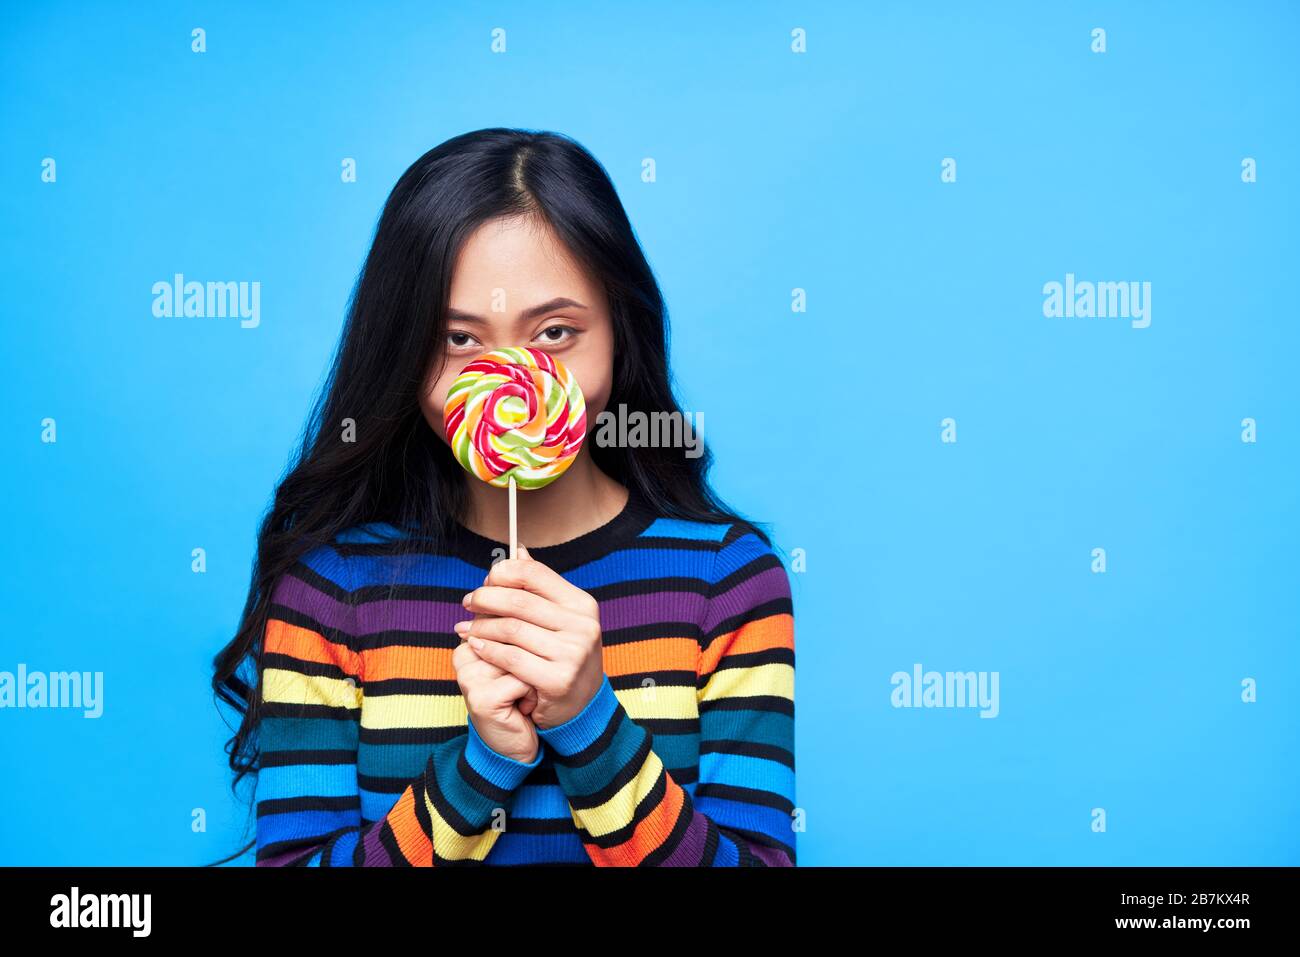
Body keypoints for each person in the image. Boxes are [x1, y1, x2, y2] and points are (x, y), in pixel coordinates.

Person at [209, 128, 796, 866]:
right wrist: (478, 766)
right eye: (460, 339)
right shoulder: (332, 590)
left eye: (555, 331)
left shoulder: (729, 581)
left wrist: (590, 725)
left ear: (620, 328)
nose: (516, 380)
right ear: (404, 347)